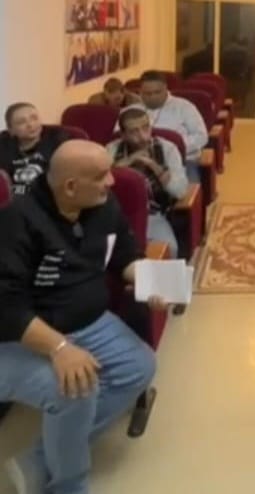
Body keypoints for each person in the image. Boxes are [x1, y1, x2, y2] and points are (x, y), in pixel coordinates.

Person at [0, 140, 164, 494]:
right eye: (102, 176)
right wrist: (59, 348)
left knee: (139, 367)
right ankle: (68, 485)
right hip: (22, 334)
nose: (112, 182)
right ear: (71, 186)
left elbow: (125, 256)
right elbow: (7, 306)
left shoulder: (103, 205)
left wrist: (150, 282)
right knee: (75, 389)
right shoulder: (17, 221)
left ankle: (41, 460)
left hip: (89, 323)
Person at [107, 108, 188, 258]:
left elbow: (180, 191)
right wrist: (128, 161)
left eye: (145, 128)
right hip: (115, 214)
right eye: (134, 132)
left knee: (170, 248)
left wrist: (154, 166)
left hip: (151, 214)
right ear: (123, 135)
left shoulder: (167, 149)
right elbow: (100, 181)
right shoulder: (112, 149)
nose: (142, 136)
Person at [126, 70, 208, 183]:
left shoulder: (184, 107)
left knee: (186, 191)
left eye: (157, 92)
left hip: (182, 162)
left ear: (166, 89)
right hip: (140, 163)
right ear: (140, 92)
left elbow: (201, 136)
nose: (153, 97)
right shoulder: (130, 111)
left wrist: (172, 149)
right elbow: (118, 137)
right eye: (147, 93)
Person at [0, 103, 72, 195]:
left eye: (34, 118)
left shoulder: (57, 140)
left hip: (45, 198)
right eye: (22, 122)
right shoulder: (3, 145)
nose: (30, 124)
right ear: (11, 130)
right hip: (12, 199)